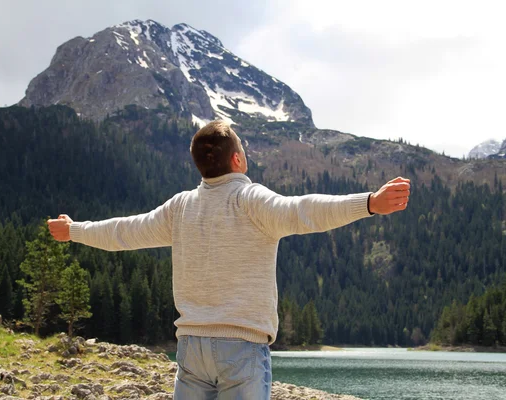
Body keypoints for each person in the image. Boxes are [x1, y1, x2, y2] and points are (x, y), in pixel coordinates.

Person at [48, 120, 410, 399]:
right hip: (241, 348)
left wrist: (75, 230)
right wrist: (369, 203)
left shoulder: (181, 207)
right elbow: (303, 210)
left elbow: (123, 232)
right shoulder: (250, 199)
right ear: (237, 159)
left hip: (191, 347)